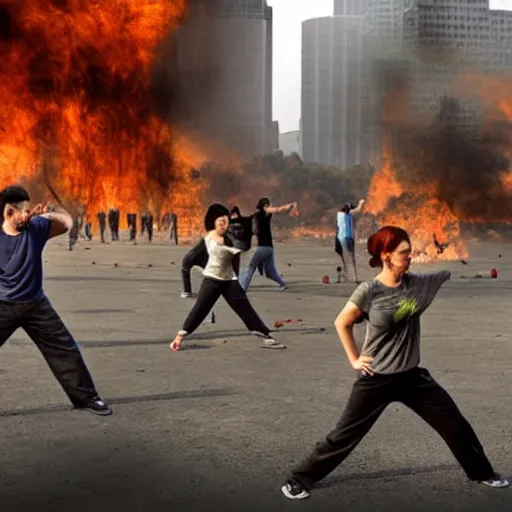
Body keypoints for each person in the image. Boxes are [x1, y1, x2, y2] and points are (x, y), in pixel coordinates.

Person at [281, 226, 508, 500]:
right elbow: (342, 322)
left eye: (410, 252)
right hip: (376, 378)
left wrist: (465, 265)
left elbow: (447, 273)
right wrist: (354, 359)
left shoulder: (418, 284)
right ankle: (299, 478)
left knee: (455, 423)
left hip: (412, 377)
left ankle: (482, 472)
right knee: (343, 436)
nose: (409, 257)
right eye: (403, 253)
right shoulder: (370, 291)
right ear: (386, 255)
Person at [0, 185, 112, 415]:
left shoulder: (36, 227)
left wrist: (47, 213)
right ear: (9, 212)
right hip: (3, 305)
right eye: (24, 211)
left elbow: (68, 222)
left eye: (30, 211)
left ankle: (87, 398)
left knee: (65, 350)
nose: (28, 215)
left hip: (36, 305)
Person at [170, 204, 285, 351]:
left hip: (229, 281)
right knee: (200, 309)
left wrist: (236, 273)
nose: (224, 225)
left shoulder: (229, 239)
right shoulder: (207, 240)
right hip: (212, 280)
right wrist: (186, 285)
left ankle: (266, 337)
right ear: (213, 222)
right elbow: (190, 258)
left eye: (226, 221)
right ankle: (179, 338)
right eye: (221, 222)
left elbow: (234, 259)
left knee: (245, 308)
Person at [241, 198, 298, 292]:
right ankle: (282, 284)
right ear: (262, 207)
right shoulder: (257, 216)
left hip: (263, 248)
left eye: (268, 206)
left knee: (251, 267)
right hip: (269, 248)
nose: (268, 207)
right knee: (270, 271)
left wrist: (290, 205)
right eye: (266, 206)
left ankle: (243, 289)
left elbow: (278, 209)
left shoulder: (265, 214)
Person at [336, 199, 365, 284]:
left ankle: (347, 277)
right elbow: (358, 209)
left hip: (343, 238)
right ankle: (354, 278)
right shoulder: (344, 214)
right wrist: (361, 203)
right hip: (347, 238)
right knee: (352, 258)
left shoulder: (340, 214)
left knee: (346, 259)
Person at [227, 206, 253, 277]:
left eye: (235, 214)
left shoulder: (242, 222)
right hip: (232, 246)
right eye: (232, 214)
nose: (234, 216)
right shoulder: (228, 222)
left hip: (238, 246)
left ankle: (235, 277)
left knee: (234, 261)